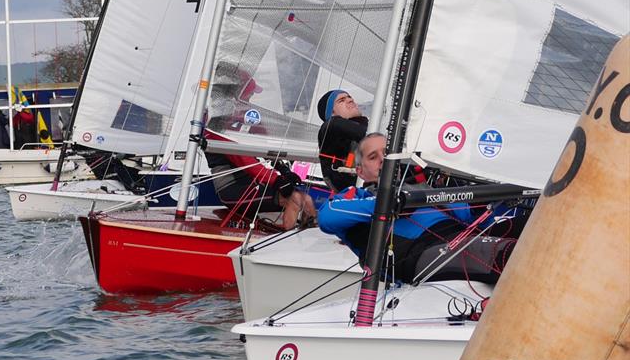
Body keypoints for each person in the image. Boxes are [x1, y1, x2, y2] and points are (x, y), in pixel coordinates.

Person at [318, 135, 516, 284]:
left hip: (461, 238)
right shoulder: (359, 196)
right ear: (361, 171)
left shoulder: (424, 191)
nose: (384, 159)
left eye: (389, 152)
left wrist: (496, 198)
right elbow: (327, 216)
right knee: (509, 253)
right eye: (373, 156)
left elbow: (475, 216)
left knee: (530, 228)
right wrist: (387, 202)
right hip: (421, 254)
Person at [204, 130, 316, 230]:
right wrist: (277, 180)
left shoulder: (243, 122)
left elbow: (264, 148)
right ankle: (286, 240)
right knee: (294, 199)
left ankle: (309, 236)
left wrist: (284, 170)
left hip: (252, 185)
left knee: (307, 200)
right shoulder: (216, 132)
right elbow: (247, 162)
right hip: (231, 190)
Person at [316, 89, 369, 192]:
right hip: (355, 196)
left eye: (349, 97)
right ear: (332, 113)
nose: (350, 100)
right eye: (341, 100)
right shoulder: (330, 127)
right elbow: (335, 125)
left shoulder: (367, 128)